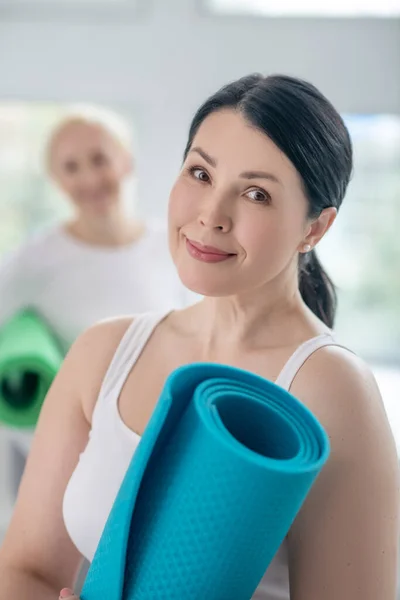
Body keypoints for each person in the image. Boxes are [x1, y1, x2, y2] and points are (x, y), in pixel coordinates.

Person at [0, 74, 398, 600]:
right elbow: (27, 569)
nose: (211, 214)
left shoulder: (330, 390)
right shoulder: (103, 354)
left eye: (256, 193)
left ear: (315, 228)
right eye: (200, 173)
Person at [0, 108, 193, 494]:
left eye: (100, 159)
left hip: (162, 442)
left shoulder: (176, 247)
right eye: (71, 167)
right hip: (73, 457)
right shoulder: (33, 261)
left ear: (127, 162)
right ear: (57, 180)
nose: (88, 177)